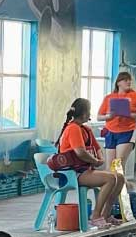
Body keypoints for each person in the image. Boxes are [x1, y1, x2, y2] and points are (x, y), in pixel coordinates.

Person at [51, 98, 123, 229]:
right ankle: (95, 216)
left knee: (120, 178)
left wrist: (99, 159)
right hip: (73, 174)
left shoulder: (86, 130)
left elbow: (97, 148)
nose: (90, 114)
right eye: (89, 111)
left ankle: (105, 215)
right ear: (84, 114)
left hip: (85, 170)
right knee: (111, 179)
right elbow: (80, 152)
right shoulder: (72, 129)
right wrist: (95, 161)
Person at [97, 71, 136, 169]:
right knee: (109, 167)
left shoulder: (135, 96)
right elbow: (99, 116)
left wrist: (131, 114)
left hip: (127, 131)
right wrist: (109, 116)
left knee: (117, 163)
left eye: (130, 80)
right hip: (110, 131)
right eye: (126, 80)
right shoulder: (109, 97)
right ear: (118, 83)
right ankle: (124, 184)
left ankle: (121, 184)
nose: (128, 82)